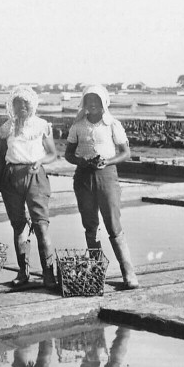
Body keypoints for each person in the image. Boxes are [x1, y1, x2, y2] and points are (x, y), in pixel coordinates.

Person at [64, 85, 139, 289]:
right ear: (84, 103)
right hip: (83, 178)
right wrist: (82, 161)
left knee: (113, 224)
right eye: (89, 101)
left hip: (107, 177)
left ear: (104, 103)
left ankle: (128, 273)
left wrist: (108, 161)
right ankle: (97, 272)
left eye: (97, 101)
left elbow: (126, 153)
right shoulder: (78, 125)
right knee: (90, 226)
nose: (93, 105)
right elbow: (68, 154)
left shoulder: (112, 124)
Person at [0, 86, 59, 288]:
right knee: (18, 226)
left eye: (25, 103)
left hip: (35, 177)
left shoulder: (42, 125)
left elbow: (53, 153)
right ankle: (23, 272)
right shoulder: (7, 128)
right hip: (11, 178)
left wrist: (40, 161)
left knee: (41, 226)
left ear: (32, 105)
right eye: (17, 103)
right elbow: (1, 158)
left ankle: (49, 274)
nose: (21, 106)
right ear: (12, 106)